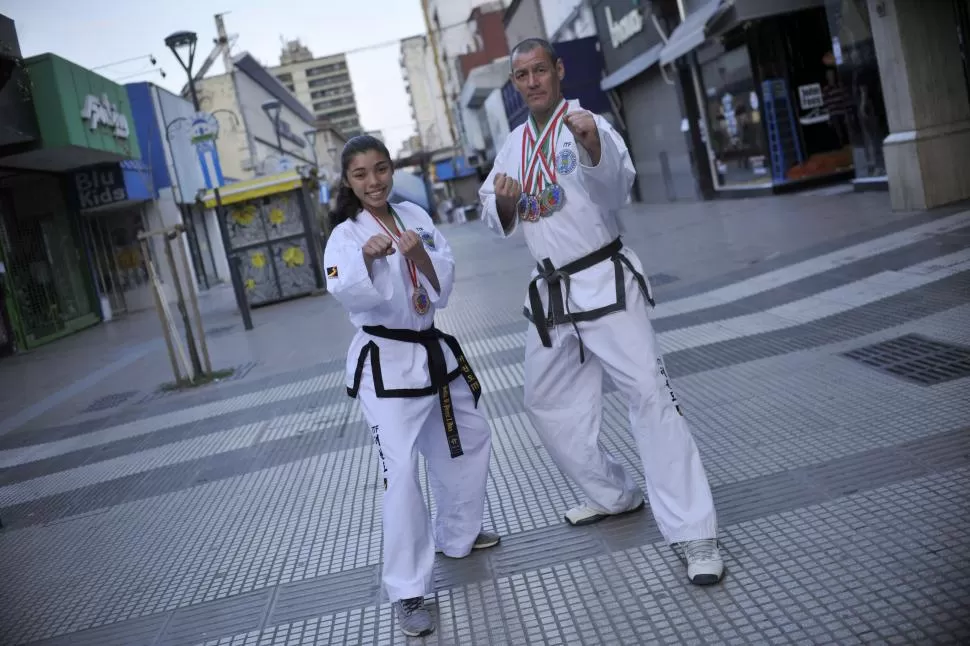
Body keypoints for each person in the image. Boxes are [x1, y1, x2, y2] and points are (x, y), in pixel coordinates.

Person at [478, 39, 724, 586]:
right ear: (515, 84)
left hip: (605, 281)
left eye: (540, 69)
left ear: (559, 71)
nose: (533, 81)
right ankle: (614, 494)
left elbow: (617, 190)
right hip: (551, 296)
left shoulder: (590, 123)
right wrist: (502, 201)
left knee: (650, 399)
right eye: (522, 74)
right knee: (544, 403)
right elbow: (493, 219)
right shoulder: (514, 144)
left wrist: (591, 149)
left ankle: (695, 532)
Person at [324, 135, 500, 637]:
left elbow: (441, 287)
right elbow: (345, 290)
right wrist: (373, 259)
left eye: (380, 169)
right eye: (361, 174)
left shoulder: (415, 216)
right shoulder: (345, 236)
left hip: (432, 351)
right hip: (386, 362)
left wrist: (416, 252)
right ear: (349, 182)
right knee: (400, 475)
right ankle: (407, 591)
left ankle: (458, 536)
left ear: (391, 169)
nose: (374, 181)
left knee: (468, 439)